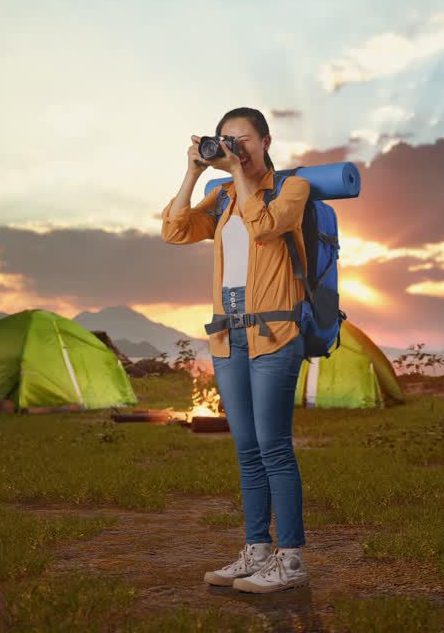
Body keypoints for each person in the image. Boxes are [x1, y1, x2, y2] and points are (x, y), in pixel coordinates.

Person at [160, 106, 312, 594]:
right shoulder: (222, 196)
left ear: (265, 141)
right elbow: (175, 229)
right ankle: (256, 551)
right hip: (228, 335)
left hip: (274, 333)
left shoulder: (292, 188)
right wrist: (194, 172)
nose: (234, 149)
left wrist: (240, 176)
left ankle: (290, 560)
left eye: (242, 140)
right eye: (225, 140)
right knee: (247, 450)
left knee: (274, 448)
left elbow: (266, 226)